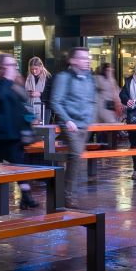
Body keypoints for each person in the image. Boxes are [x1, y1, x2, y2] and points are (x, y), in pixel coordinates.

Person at [0, 52, 40, 208]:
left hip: (13, 132)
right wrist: (8, 79)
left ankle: (26, 196)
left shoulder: (13, 83)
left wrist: (29, 116)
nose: (13, 68)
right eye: (10, 65)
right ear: (1, 67)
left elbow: (18, 104)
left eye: (14, 65)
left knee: (19, 165)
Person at [49, 47, 95, 208]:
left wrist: (89, 119)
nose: (87, 60)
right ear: (73, 60)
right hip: (70, 124)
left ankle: (65, 192)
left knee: (74, 158)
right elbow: (55, 101)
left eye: (87, 57)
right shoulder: (64, 78)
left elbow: (91, 100)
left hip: (84, 124)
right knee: (75, 155)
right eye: (83, 58)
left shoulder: (89, 77)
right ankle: (68, 196)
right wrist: (67, 120)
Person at [24, 57, 51, 123]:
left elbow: (51, 94)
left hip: (44, 109)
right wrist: (28, 94)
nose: (34, 71)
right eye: (32, 69)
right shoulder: (28, 78)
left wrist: (40, 94)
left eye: (36, 69)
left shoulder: (48, 77)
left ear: (41, 67)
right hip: (29, 107)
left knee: (42, 130)